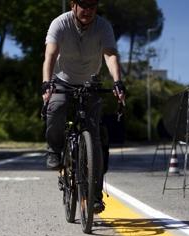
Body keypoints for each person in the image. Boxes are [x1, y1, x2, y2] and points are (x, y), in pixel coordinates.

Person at [41, 0, 126, 214]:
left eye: (92, 6)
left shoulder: (103, 26)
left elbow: (110, 54)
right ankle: (54, 149)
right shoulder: (59, 23)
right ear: (73, 5)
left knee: (95, 139)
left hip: (91, 82)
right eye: (83, 5)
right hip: (62, 80)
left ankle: (95, 196)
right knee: (56, 108)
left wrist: (117, 82)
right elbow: (50, 54)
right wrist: (47, 82)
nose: (87, 11)